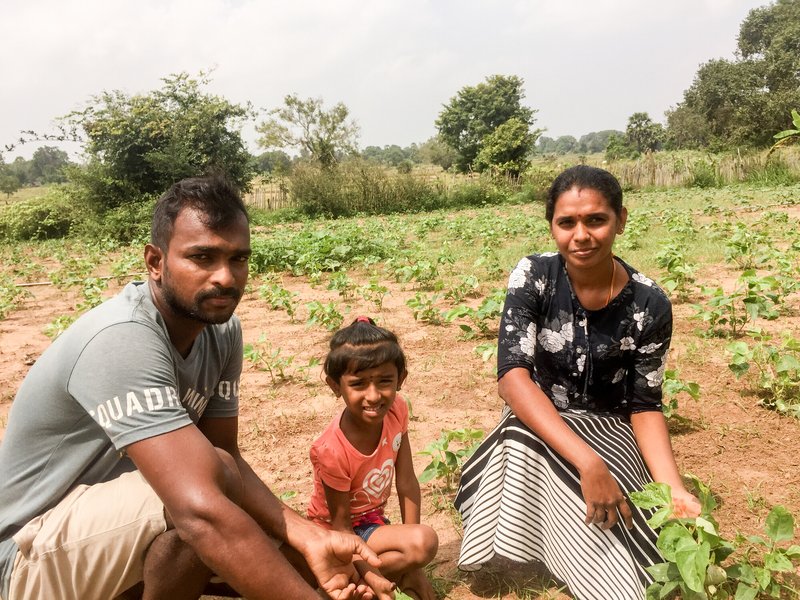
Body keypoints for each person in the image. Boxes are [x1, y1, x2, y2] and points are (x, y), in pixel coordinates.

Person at [0, 176, 393, 600]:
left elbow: (230, 462)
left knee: (219, 490)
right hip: (28, 553)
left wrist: (308, 536)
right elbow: (202, 509)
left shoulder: (220, 331)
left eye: (238, 259)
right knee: (203, 502)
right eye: (202, 257)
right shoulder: (121, 337)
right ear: (155, 261)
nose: (225, 277)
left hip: (106, 539)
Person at [454, 165, 701, 600]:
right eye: (566, 222)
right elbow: (513, 379)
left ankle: (593, 567)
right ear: (552, 225)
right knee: (517, 435)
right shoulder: (534, 275)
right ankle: (532, 548)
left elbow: (644, 405)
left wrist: (673, 490)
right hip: (540, 420)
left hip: (611, 428)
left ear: (621, 220)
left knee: (628, 513)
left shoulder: (650, 302)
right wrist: (589, 464)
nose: (580, 235)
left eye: (596, 220)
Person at [307, 317, 439, 600]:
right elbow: (341, 527)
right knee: (420, 542)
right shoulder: (331, 449)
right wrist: (374, 577)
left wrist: (415, 565)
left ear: (400, 379)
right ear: (335, 386)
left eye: (384, 381)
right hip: (333, 535)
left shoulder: (397, 411)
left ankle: (351, 579)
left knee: (419, 544)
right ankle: (347, 575)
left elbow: (406, 481)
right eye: (358, 384)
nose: (373, 395)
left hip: (371, 525)